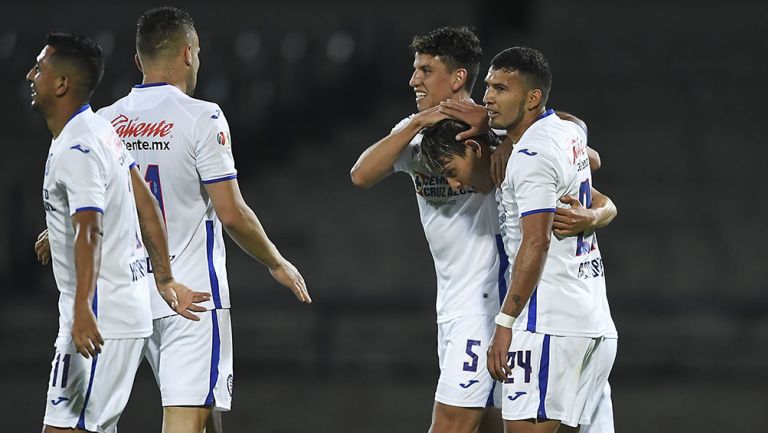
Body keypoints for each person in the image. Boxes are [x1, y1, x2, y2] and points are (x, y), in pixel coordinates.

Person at [350, 27, 612, 433]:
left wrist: (599, 212)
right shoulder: (416, 135)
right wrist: (422, 119)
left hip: (491, 306)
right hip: (456, 304)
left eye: (425, 69)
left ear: (456, 78)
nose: (413, 79)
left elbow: (582, 156)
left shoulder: (498, 129)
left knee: (453, 424)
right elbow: (361, 174)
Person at [97, 7, 311, 433]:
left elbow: (94, 208)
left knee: (195, 419)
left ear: (138, 61)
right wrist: (275, 261)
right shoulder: (201, 116)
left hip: (122, 296)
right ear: (190, 53)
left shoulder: (104, 122)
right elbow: (231, 213)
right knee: (186, 422)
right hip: (190, 297)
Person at [29, 32, 206, 433]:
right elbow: (142, 200)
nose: (29, 75)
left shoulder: (79, 147)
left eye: (39, 68)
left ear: (61, 84)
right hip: (114, 309)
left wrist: (82, 311)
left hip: (100, 314)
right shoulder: (98, 129)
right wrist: (163, 278)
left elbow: (89, 229)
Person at [483, 47, 618, 433]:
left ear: (532, 98)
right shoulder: (567, 132)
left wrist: (505, 323)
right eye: (488, 87)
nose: (488, 97)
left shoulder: (533, 155)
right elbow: (580, 133)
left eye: (501, 89)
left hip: (547, 326)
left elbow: (536, 243)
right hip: (594, 323)